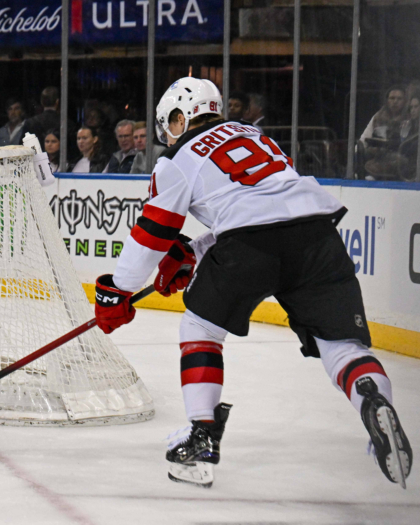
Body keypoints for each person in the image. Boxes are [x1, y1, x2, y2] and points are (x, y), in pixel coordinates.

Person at [93, 77, 412, 489]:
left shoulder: (177, 158)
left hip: (250, 246)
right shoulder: (256, 136)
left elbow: (153, 233)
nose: (167, 134)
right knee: (340, 345)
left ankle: (201, 438)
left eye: (169, 122)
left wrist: (118, 289)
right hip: (317, 236)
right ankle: (371, 397)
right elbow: (265, 204)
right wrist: (195, 251)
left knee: (200, 328)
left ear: (181, 117)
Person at [360, 86, 407, 180]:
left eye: (399, 99)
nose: (395, 101)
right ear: (387, 100)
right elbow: (364, 139)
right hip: (377, 152)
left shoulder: (410, 117)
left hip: (399, 153)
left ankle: (373, 175)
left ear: (405, 101)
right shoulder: (378, 116)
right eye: (392, 98)